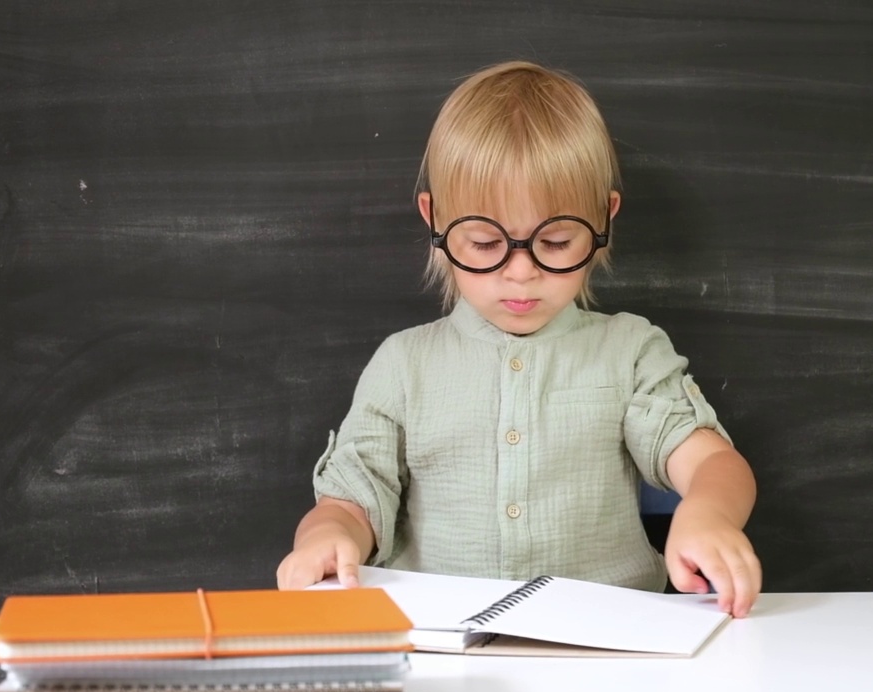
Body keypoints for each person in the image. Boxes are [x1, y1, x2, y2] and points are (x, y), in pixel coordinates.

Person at [276, 60, 762, 616]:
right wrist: (327, 535)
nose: (521, 272)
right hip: (441, 643)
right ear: (434, 219)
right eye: (485, 244)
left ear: (606, 216)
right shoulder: (404, 363)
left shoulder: (630, 351)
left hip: (612, 638)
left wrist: (708, 513)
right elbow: (353, 499)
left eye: (555, 242)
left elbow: (712, 464)